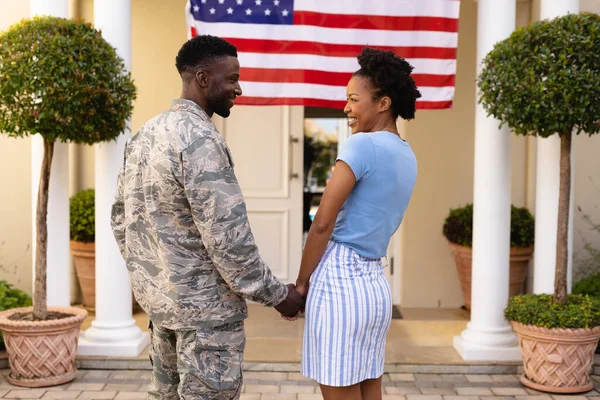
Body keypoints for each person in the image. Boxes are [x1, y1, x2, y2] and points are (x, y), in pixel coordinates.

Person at [110, 35, 304, 400]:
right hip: (207, 321)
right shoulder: (200, 139)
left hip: (163, 311)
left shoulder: (145, 135)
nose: (239, 88)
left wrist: (154, 283)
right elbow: (229, 240)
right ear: (202, 78)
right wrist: (279, 295)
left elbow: (121, 220)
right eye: (231, 79)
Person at [288, 47, 421, 400]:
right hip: (374, 286)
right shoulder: (407, 155)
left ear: (383, 103)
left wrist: (301, 285)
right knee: (369, 389)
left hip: (340, 284)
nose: (346, 107)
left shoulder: (362, 145)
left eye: (353, 99)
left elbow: (322, 223)